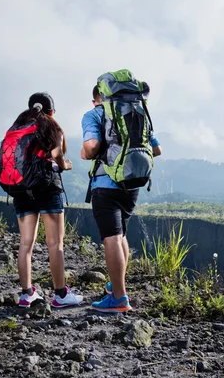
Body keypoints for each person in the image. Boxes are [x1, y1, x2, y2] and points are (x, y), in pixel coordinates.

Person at [81, 84, 162, 313]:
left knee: (112, 238)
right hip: (132, 183)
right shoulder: (136, 112)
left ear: (96, 98)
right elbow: (157, 150)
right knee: (121, 235)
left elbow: (91, 147)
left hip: (106, 185)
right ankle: (117, 286)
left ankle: (118, 297)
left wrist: (85, 152)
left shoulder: (95, 114)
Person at [11, 92, 84, 308]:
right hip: (46, 188)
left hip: (22, 189)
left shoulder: (17, 128)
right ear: (51, 111)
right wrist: (65, 165)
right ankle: (60, 295)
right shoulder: (53, 128)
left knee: (25, 244)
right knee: (55, 244)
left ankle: (26, 294)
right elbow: (56, 154)